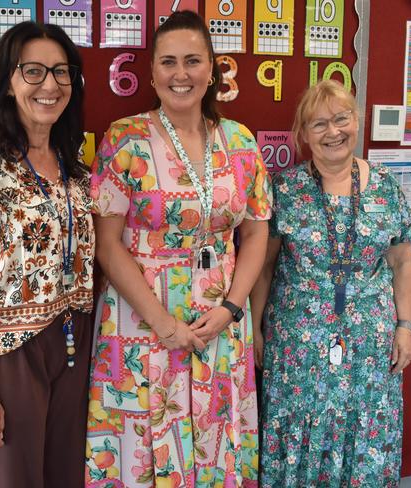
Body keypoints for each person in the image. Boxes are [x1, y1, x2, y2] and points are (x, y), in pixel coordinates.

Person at [85, 10, 271, 487]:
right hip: (142, 321)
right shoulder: (124, 140)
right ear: (151, 72)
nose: (180, 74)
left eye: (193, 61)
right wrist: (165, 325)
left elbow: (255, 232)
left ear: (213, 69)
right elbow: (107, 246)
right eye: (168, 62)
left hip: (220, 324)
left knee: (215, 436)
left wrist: (232, 308)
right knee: (146, 445)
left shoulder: (241, 142)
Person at [0, 22, 94, 487]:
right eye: (33, 71)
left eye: (61, 72)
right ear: (8, 81)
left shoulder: (77, 171)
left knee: (66, 475)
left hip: (74, 342)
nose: (50, 85)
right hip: (9, 354)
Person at [251, 80, 411, 487]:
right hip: (298, 352)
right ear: (303, 135)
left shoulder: (386, 188)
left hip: (369, 352)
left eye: (341, 118)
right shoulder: (285, 190)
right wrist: (254, 329)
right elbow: (265, 266)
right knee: (298, 436)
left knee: (365, 438)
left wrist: (406, 326)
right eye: (319, 123)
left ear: (356, 121)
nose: (333, 131)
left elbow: (402, 261)